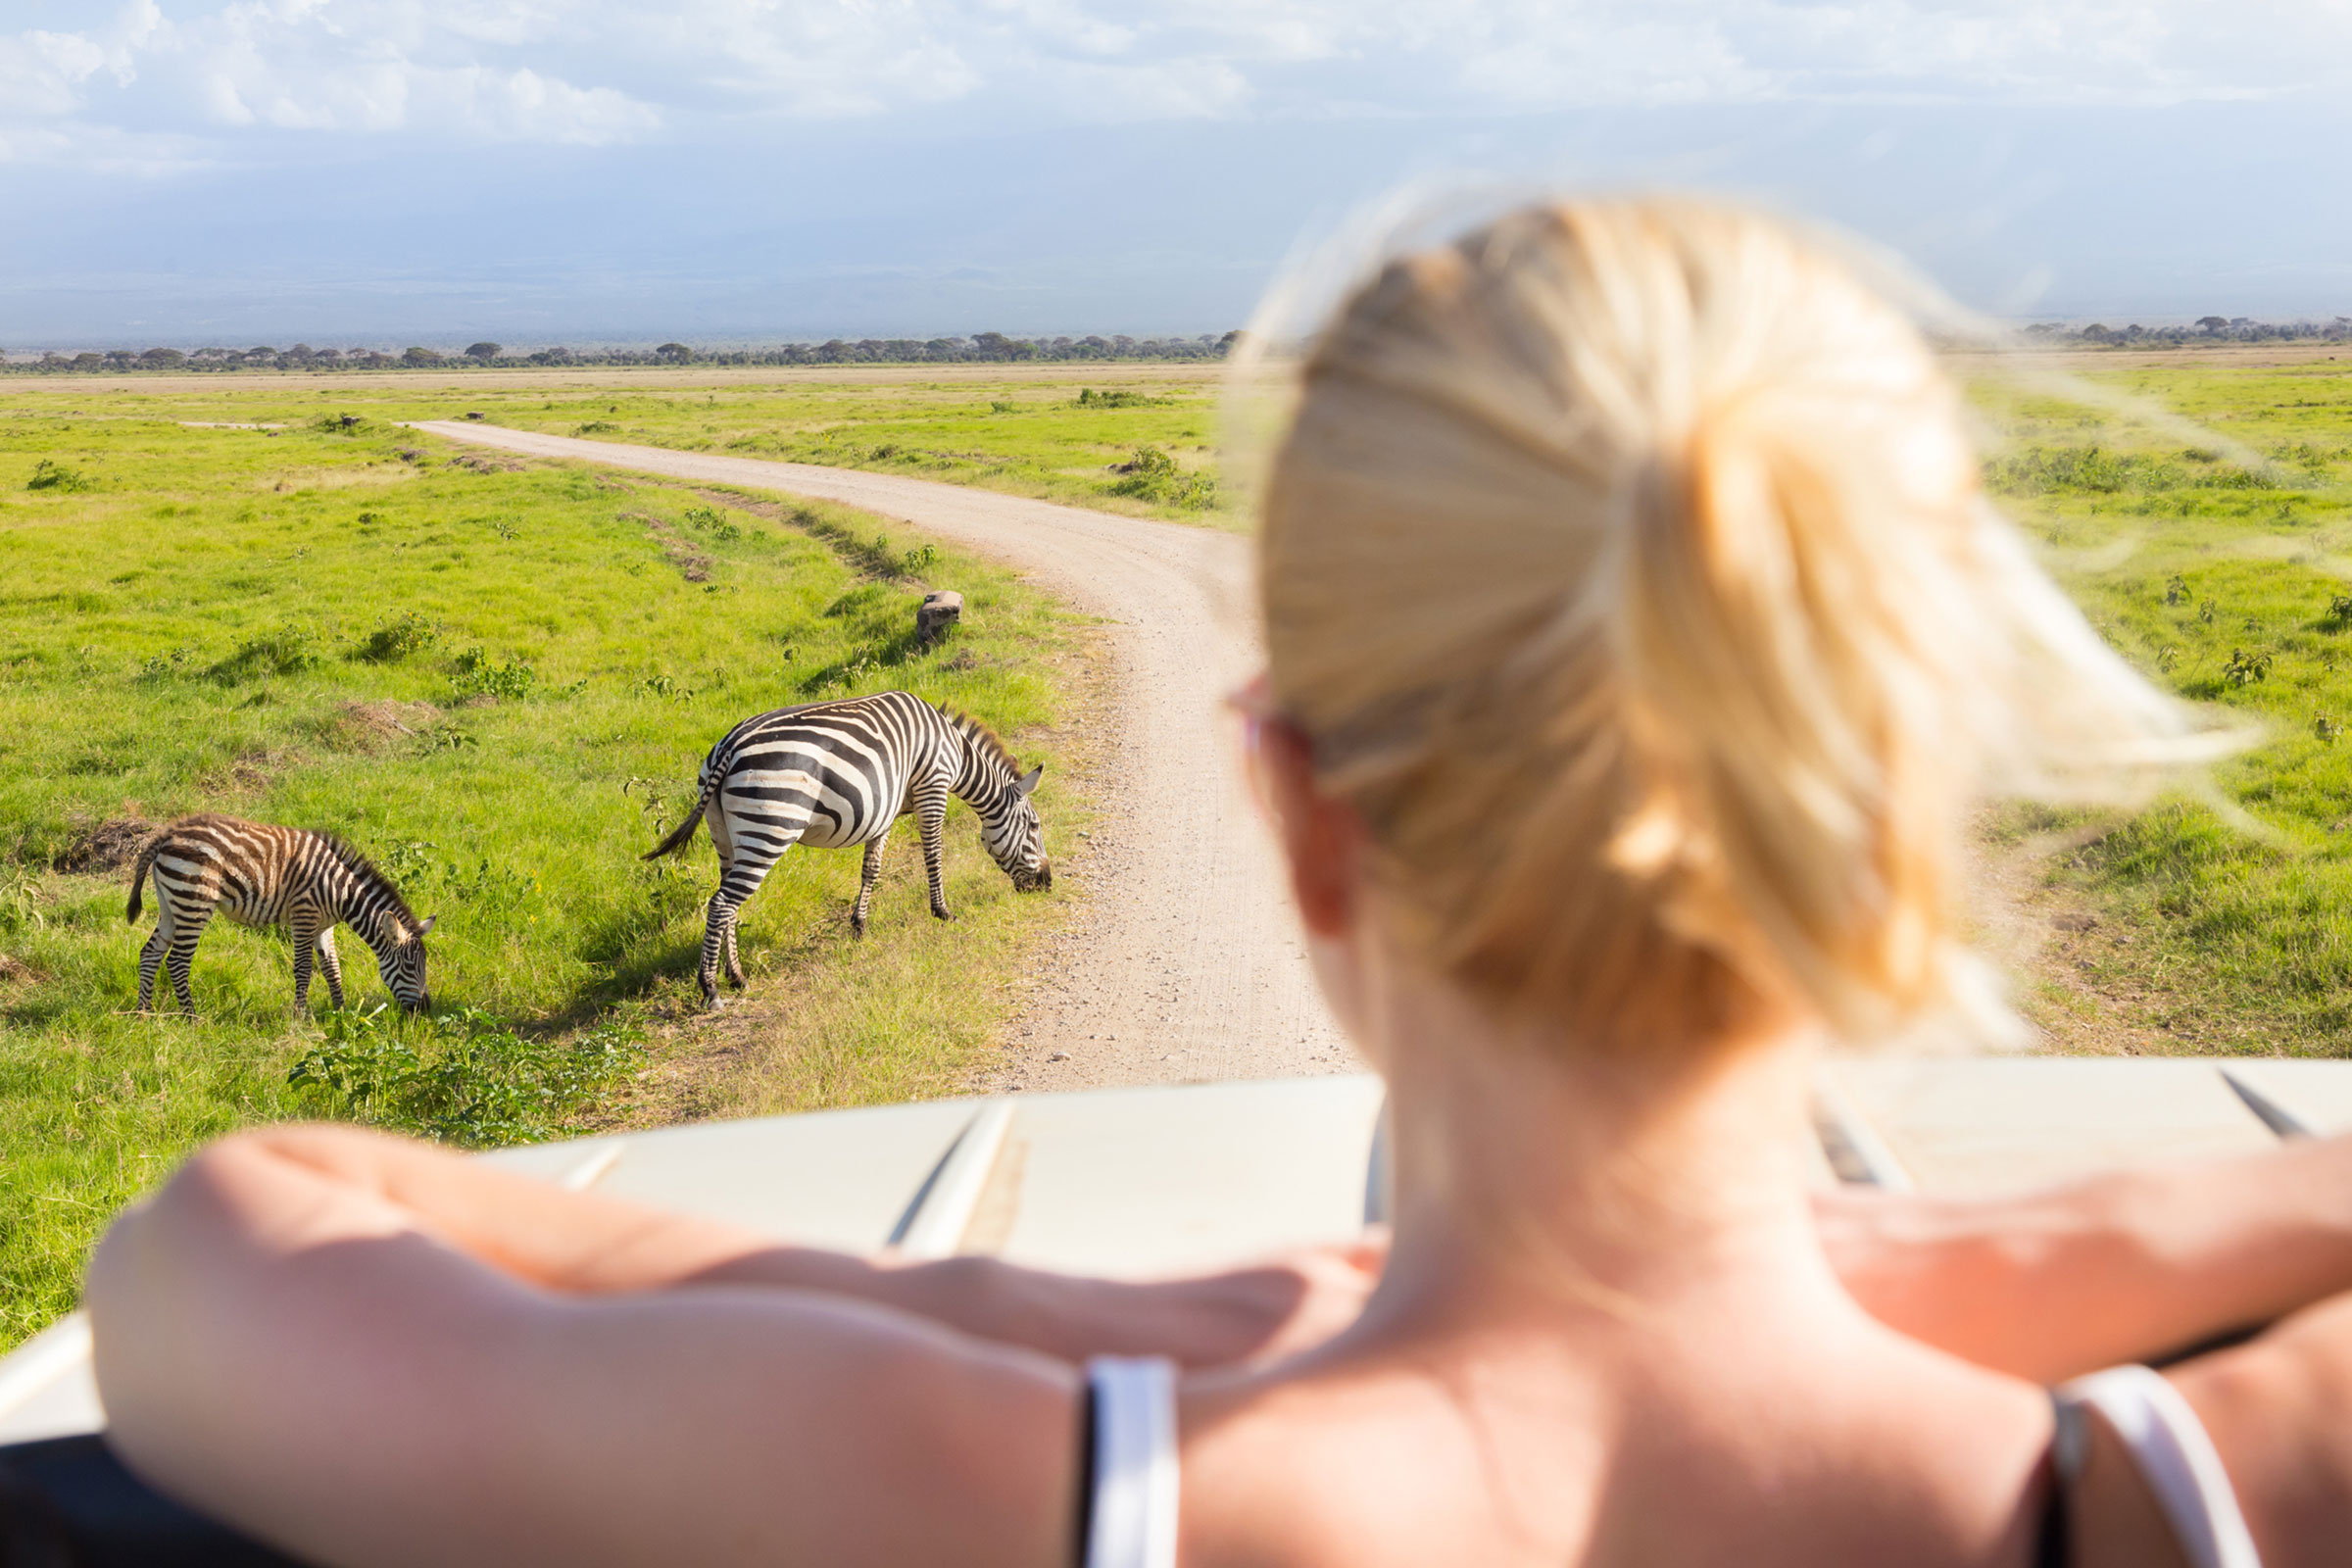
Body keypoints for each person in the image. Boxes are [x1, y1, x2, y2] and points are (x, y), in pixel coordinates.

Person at [85, 198, 2352, 1568]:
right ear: (1914, 814)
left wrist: (1076, 1318)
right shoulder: (2214, 1485)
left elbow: (223, 1229)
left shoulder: (1005, 1469)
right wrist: (1986, 1259)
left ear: (1296, 806)